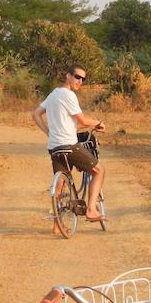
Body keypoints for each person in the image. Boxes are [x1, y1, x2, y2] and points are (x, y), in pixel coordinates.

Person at [32, 64, 106, 222]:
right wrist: (98, 123)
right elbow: (84, 121)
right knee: (99, 171)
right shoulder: (69, 95)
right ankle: (91, 210)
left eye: (83, 79)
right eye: (77, 77)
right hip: (70, 146)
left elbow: (36, 114)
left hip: (54, 147)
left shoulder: (53, 95)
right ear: (68, 76)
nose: (80, 81)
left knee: (60, 184)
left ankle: (56, 225)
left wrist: (48, 132)